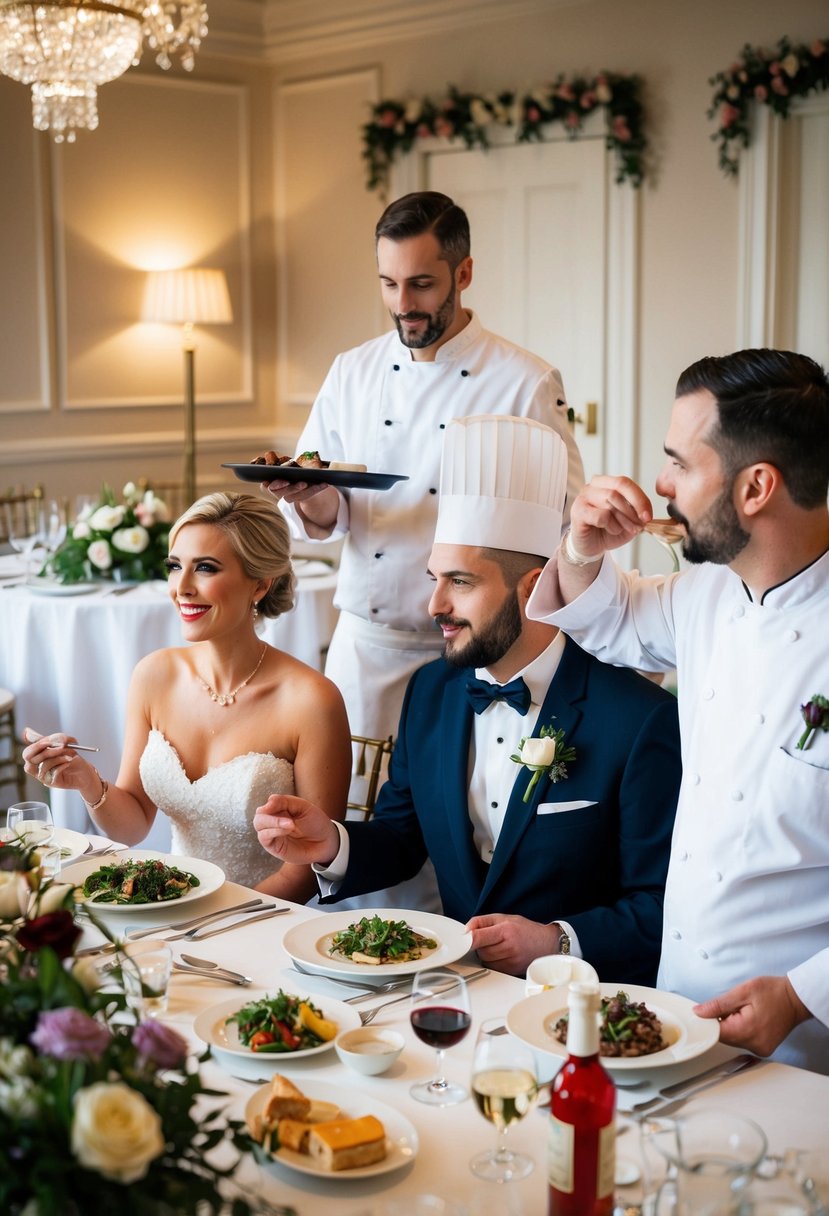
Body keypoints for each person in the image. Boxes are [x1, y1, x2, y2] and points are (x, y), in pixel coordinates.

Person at [253, 415, 681, 983]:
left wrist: (558, 941)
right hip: (460, 995)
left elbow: (661, 908)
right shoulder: (432, 692)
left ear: (531, 589)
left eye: (460, 582)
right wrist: (331, 843)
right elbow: (403, 839)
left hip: (586, 1009)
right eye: (435, 578)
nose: (433, 604)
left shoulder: (638, 718)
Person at [257, 190, 584, 911]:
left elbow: (565, 524)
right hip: (365, 646)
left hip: (467, 652)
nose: (402, 303)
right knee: (349, 824)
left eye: (421, 283)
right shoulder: (352, 371)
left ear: (463, 274)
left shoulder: (524, 379)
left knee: (447, 834)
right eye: (387, 283)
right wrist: (302, 492)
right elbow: (330, 511)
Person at [526, 348, 829, 1073]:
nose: (660, 484)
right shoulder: (705, 595)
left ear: (755, 487)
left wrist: (800, 993)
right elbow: (603, 616)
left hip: (804, 1041)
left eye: (679, 464)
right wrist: (580, 542)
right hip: (674, 1012)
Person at [21, 492, 351, 901]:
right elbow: (134, 824)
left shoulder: (311, 701)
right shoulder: (154, 675)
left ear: (260, 585)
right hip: (174, 909)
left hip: (263, 918)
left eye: (206, 568)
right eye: (175, 567)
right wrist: (87, 782)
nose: (181, 588)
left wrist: (215, 916)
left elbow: (303, 870)